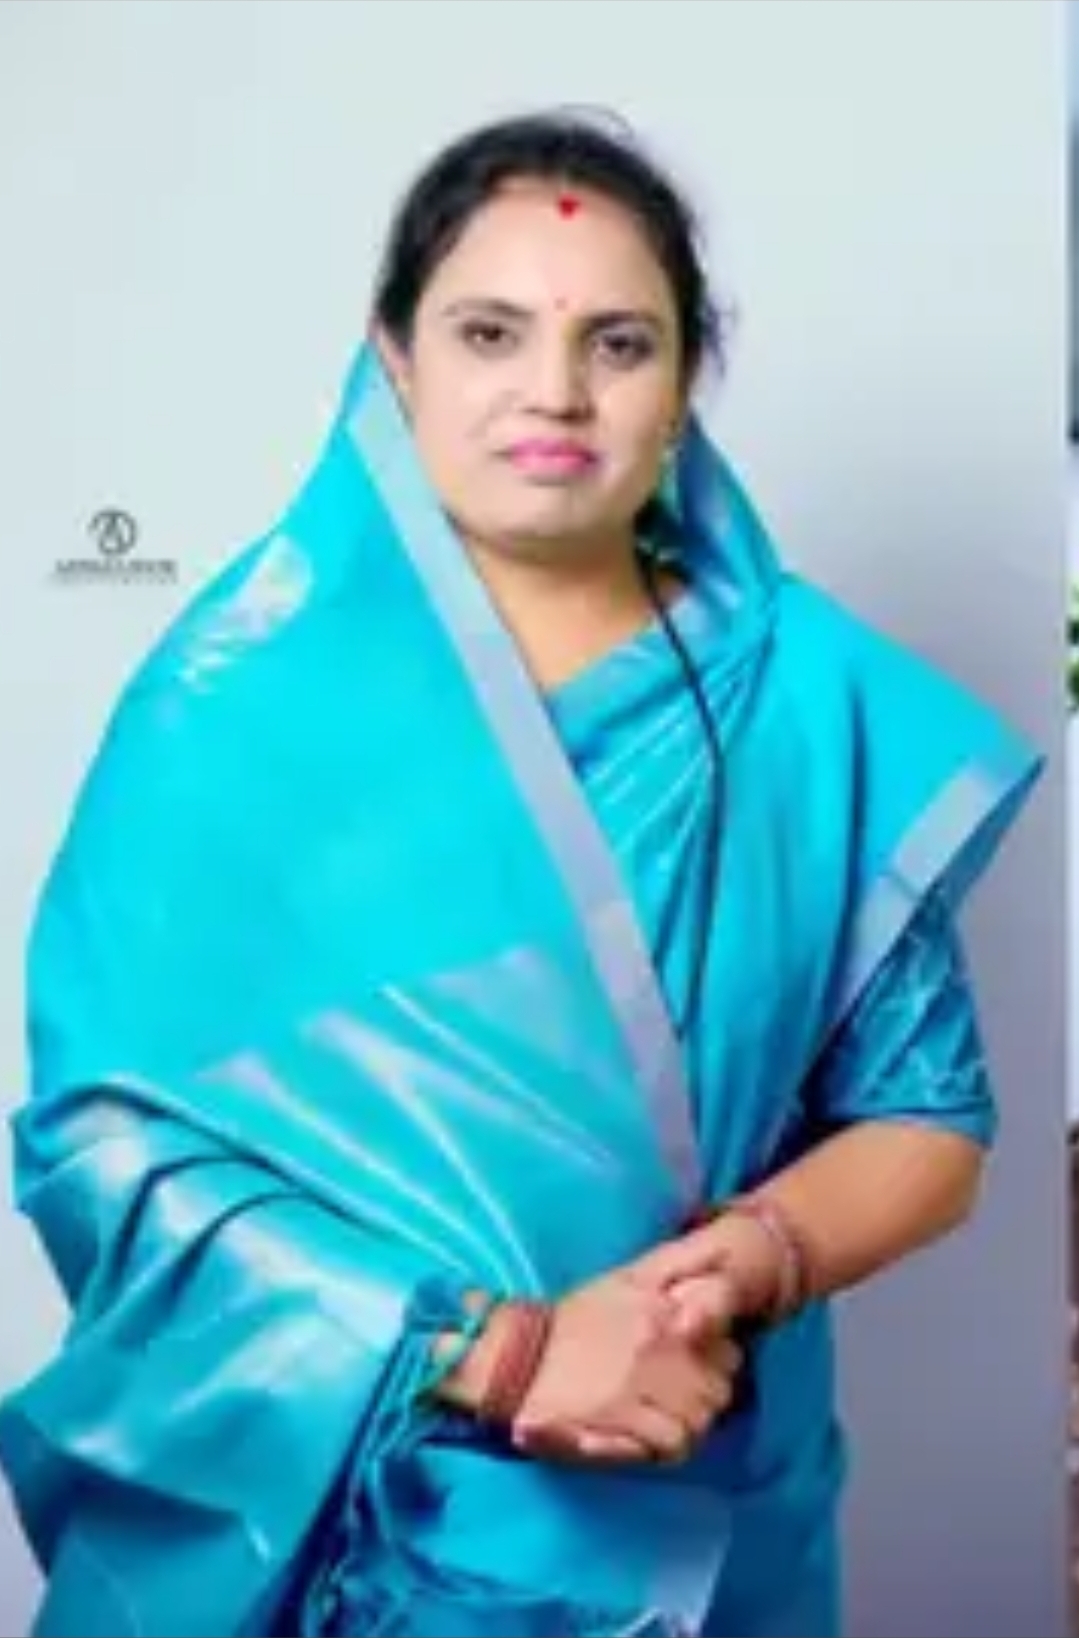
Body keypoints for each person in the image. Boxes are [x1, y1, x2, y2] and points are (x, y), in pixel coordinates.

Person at [0, 109, 1041, 1638]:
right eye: (491, 333)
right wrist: (496, 1351)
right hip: (342, 1527)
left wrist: (740, 1270)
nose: (555, 389)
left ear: (685, 381)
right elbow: (103, 1149)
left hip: (703, 1496)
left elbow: (925, 1117)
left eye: (619, 342)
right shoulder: (231, 712)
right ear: (395, 361)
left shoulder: (803, 700)